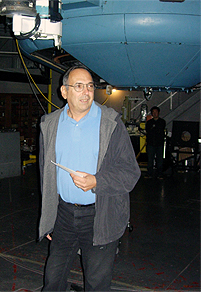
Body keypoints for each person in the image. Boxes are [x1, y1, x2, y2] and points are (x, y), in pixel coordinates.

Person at [38, 66, 141, 291]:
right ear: (64, 92)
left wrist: (97, 181)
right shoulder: (50, 124)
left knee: (96, 284)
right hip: (63, 215)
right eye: (79, 86)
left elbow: (131, 172)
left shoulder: (111, 123)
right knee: (53, 279)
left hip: (99, 216)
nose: (86, 92)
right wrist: (49, 217)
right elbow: (46, 175)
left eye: (90, 86)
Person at [145, 106, 166, 179]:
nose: (154, 114)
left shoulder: (162, 122)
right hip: (151, 143)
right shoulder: (149, 122)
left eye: (156, 112)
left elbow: (159, 130)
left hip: (159, 143)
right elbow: (148, 131)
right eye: (153, 112)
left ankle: (160, 173)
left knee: (159, 159)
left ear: (159, 113)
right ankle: (149, 173)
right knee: (150, 159)